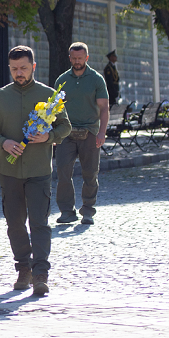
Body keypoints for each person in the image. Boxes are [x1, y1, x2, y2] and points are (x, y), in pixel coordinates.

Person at [0, 46, 70, 296]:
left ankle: (41, 274)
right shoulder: (0, 97)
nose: (18, 73)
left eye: (23, 68)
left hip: (38, 169)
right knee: (15, 223)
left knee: (40, 223)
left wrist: (49, 136)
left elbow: (65, 127)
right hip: (8, 172)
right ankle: (23, 268)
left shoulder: (49, 96)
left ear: (33, 66)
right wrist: (3, 142)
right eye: (14, 69)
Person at [54, 42, 109, 226]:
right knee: (62, 171)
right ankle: (67, 211)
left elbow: (103, 108)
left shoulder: (96, 79)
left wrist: (102, 132)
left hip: (90, 131)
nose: (77, 61)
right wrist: (53, 133)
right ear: (70, 58)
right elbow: (54, 108)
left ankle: (87, 210)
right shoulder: (62, 79)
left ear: (87, 58)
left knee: (90, 173)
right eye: (74, 58)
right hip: (65, 133)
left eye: (80, 58)